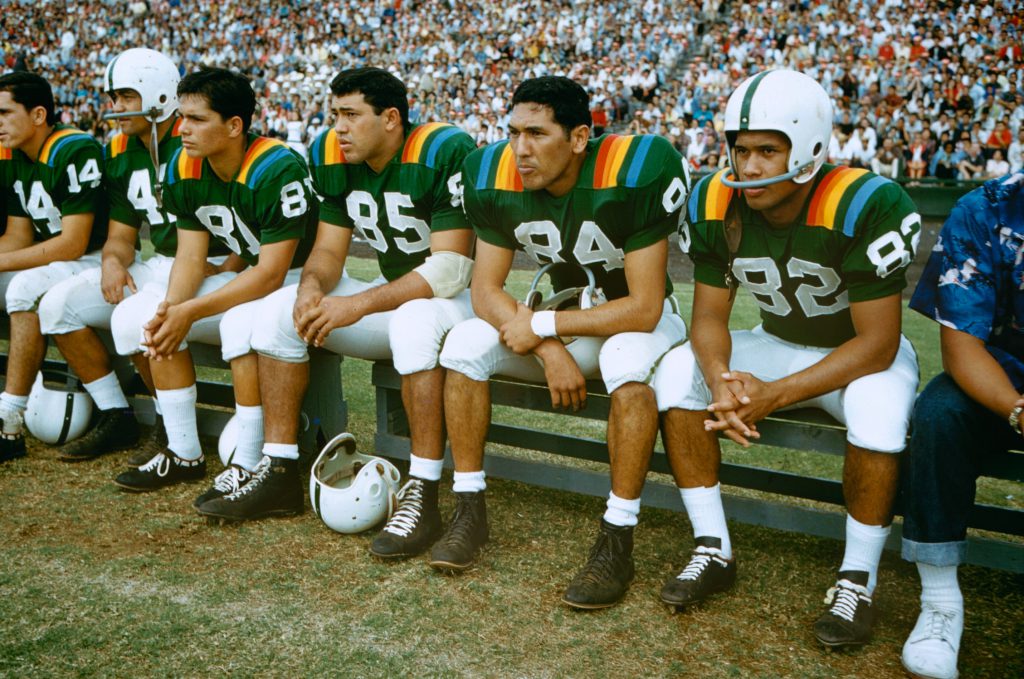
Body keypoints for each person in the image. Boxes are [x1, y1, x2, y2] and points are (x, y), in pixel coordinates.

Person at [651, 70, 920, 649]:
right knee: (678, 373)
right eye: (741, 150)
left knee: (878, 411)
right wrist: (722, 382)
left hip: (859, 359)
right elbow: (708, 319)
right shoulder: (713, 198)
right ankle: (711, 546)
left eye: (768, 151)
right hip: (776, 339)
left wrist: (776, 393)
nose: (749, 167)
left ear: (811, 147)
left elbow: (877, 343)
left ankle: (858, 579)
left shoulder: (864, 201)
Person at [434, 76, 690, 610]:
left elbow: (642, 308)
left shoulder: (635, 170)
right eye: (512, 133)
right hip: (565, 318)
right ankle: (468, 508)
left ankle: (618, 538)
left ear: (578, 137)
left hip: (636, 322)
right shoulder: (491, 173)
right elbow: (484, 290)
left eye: (536, 133)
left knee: (627, 365)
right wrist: (547, 346)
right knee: (463, 344)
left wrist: (546, 329)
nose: (520, 149)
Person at [249, 67, 477, 535]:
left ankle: (424, 488)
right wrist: (311, 286)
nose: (339, 127)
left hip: (461, 305)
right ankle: (279, 468)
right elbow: (330, 251)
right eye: (335, 114)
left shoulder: (443, 149)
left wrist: (358, 305)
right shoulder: (332, 156)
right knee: (279, 310)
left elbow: (451, 267)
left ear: (391, 118)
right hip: (397, 303)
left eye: (351, 115)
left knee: (415, 318)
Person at [109, 67, 316, 504]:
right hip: (250, 273)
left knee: (239, 322)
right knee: (145, 317)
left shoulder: (277, 165)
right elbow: (190, 255)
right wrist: (173, 308)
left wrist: (191, 311)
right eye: (182, 117)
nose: (182, 129)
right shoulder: (186, 165)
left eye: (198, 119)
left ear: (235, 125)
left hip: (303, 278)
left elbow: (273, 272)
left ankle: (250, 461)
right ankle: (183, 450)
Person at [36, 49, 238, 463]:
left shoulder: (201, 140)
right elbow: (122, 235)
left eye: (126, 96)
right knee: (58, 306)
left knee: (140, 319)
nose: (116, 108)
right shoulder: (120, 150)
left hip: (217, 267)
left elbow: (249, 223)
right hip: (164, 263)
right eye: (113, 97)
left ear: (158, 94)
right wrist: (112, 261)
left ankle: (170, 425)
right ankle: (118, 412)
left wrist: (231, 265)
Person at [900, 171, 1024, 679]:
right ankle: (940, 599)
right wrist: (1017, 409)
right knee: (939, 413)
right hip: (1004, 379)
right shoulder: (986, 207)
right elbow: (961, 348)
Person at [0, 71, 108, 462]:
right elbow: (17, 237)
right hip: (59, 258)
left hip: (94, 258)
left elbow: (73, 241)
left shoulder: (74, 148)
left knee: (24, 289)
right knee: (22, 283)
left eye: (5, 112)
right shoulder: (15, 155)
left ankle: (8, 420)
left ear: (39, 114)